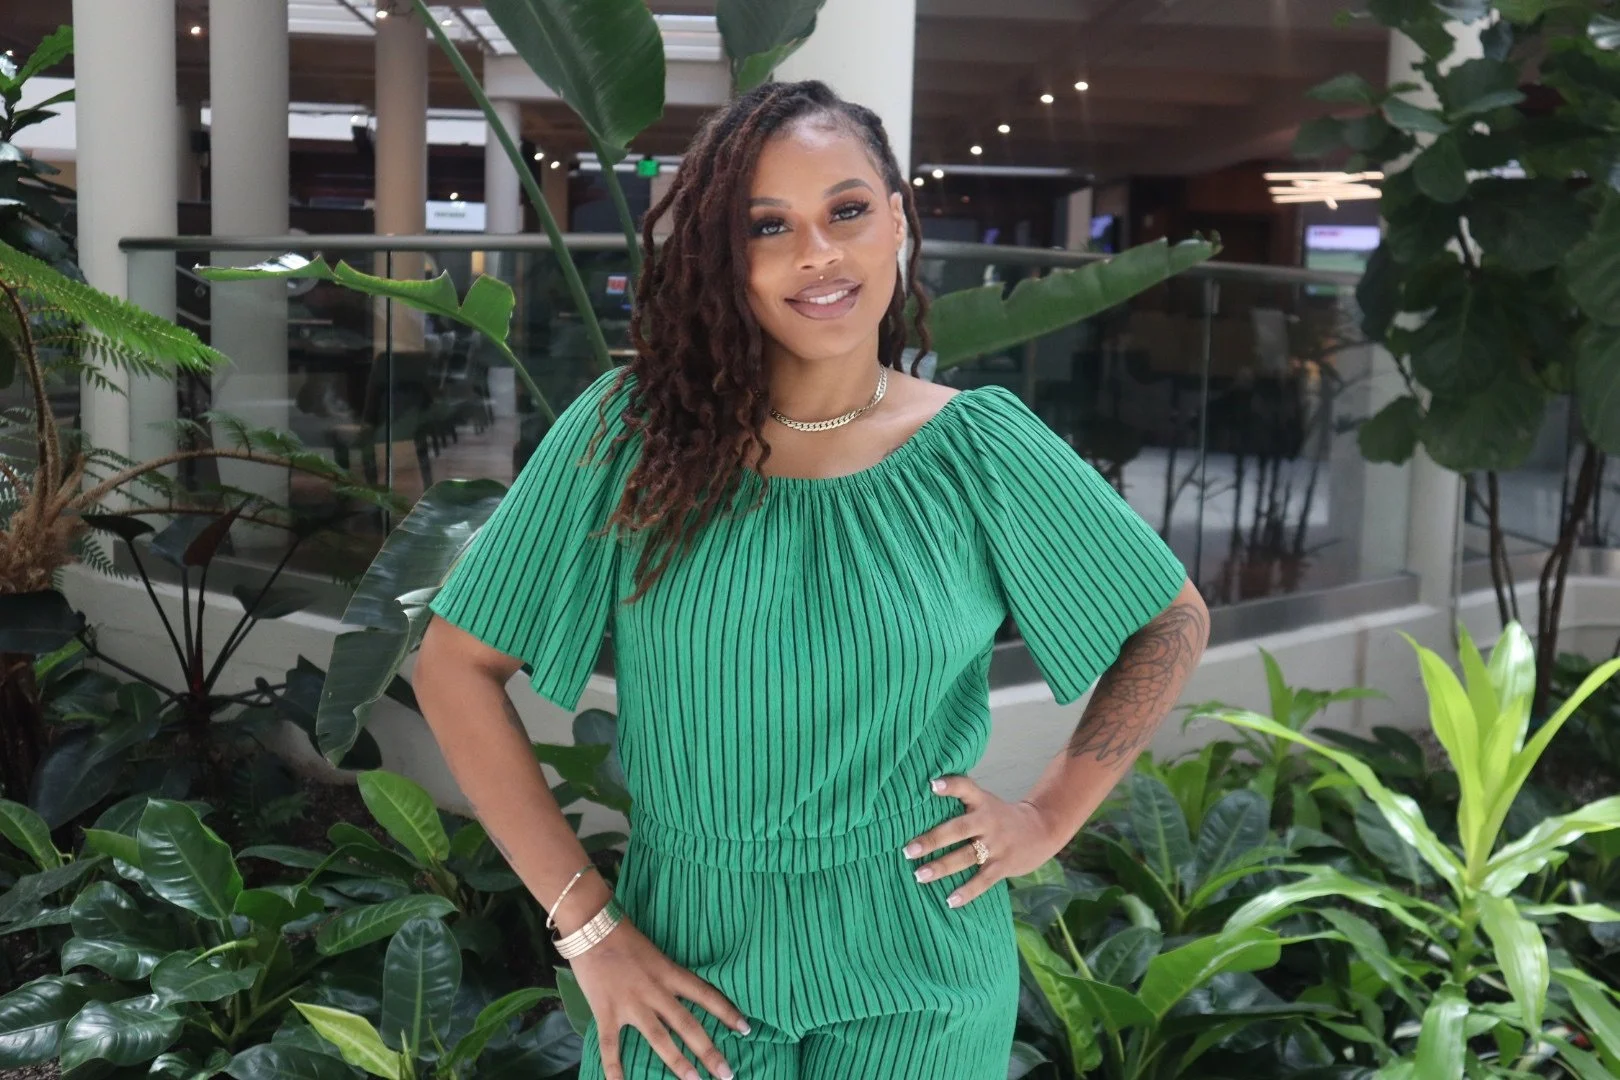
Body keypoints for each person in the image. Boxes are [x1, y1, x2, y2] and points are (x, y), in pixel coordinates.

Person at [414, 79, 1210, 1080]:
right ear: (725, 256)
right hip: (682, 952)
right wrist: (590, 930)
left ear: (897, 222)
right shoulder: (633, 434)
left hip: (920, 953)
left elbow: (1170, 620)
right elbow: (454, 666)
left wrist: (1049, 817)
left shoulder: (979, 447)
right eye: (768, 226)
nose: (817, 254)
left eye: (846, 210)